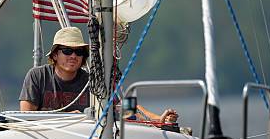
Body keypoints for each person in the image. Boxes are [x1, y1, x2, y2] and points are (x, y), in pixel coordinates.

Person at [19, 27, 179, 123]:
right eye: (67, 50)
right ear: (54, 55)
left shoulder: (92, 82)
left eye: (79, 51)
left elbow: (127, 108)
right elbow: (25, 116)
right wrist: (66, 117)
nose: (73, 56)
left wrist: (158, 119)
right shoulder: (37, 76)